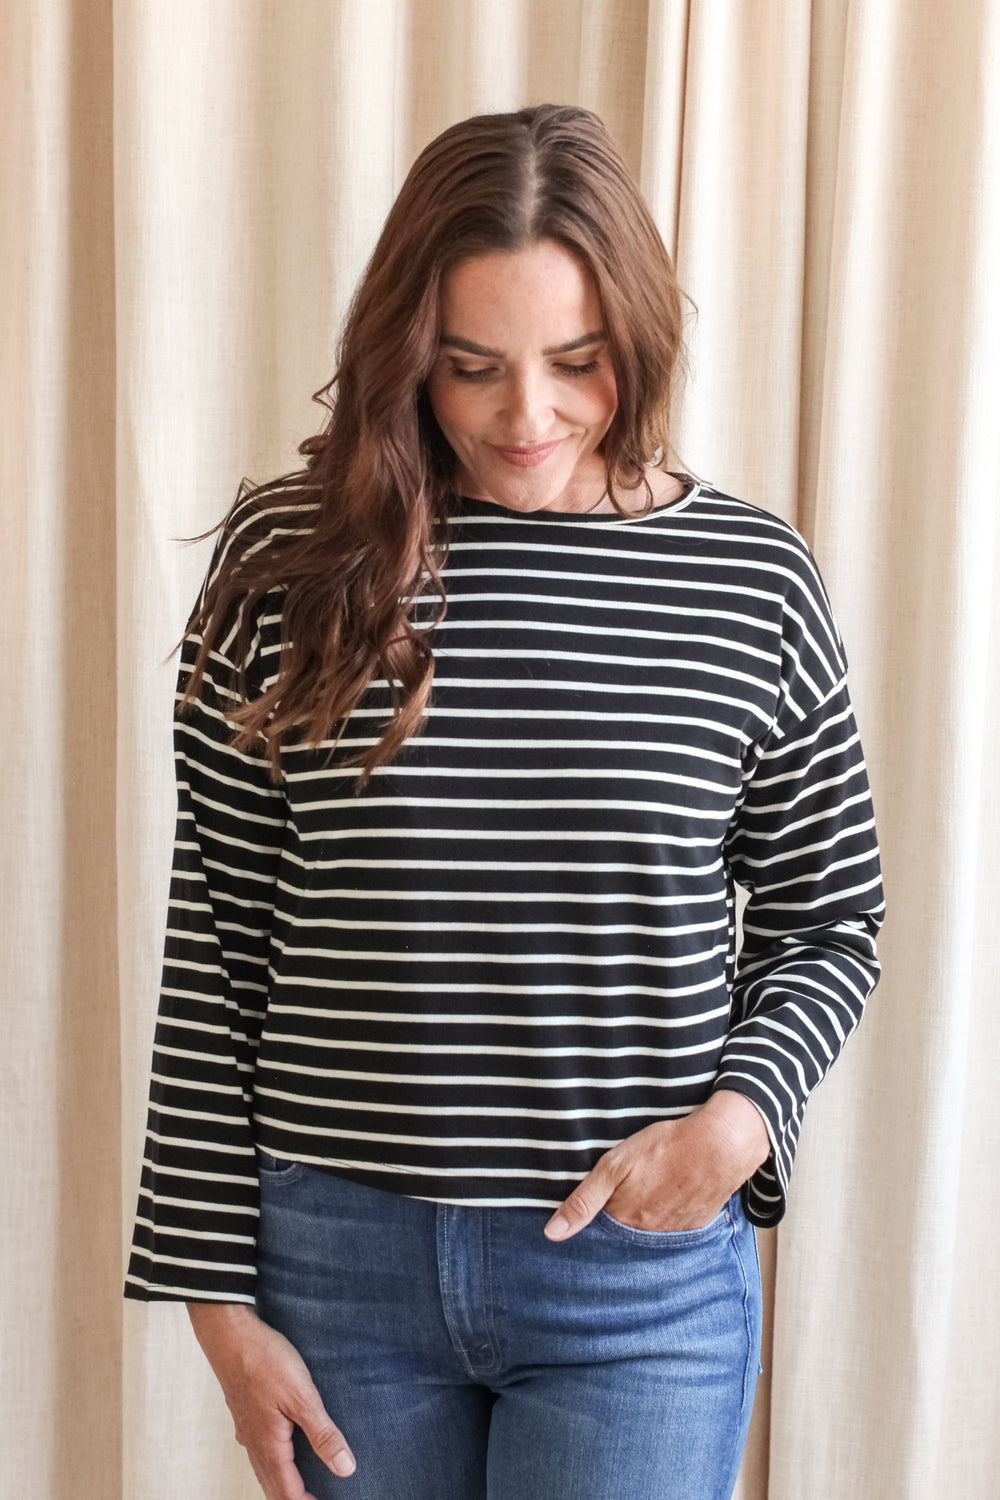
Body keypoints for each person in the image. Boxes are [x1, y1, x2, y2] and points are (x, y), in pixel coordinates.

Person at [125, 104, 884, 1500]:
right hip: (339, 1268)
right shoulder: (290, 562)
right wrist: (214, 1301)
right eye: (470, 366)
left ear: (636, 341)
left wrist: (737, 1124)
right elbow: (218, 937)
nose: (524, 418)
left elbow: (830, 916)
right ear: (405, 351)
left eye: (575, 363)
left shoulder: (751, 583)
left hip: (633, 1278)